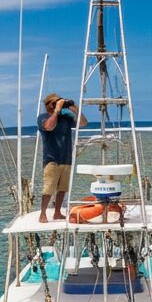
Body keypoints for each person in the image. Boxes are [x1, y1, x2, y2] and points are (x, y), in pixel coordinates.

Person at [37, 92, 88, 222]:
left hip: (66, 158)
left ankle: (57, 212)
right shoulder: (43, 117)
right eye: (55, 103)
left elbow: (83, 123)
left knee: (62, 188)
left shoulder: (66, 118)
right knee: (49, 188)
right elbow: (49, 127)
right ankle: (42, 213)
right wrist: (56, 112)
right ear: (49, 105)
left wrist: (74, 108)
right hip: (52, 159)